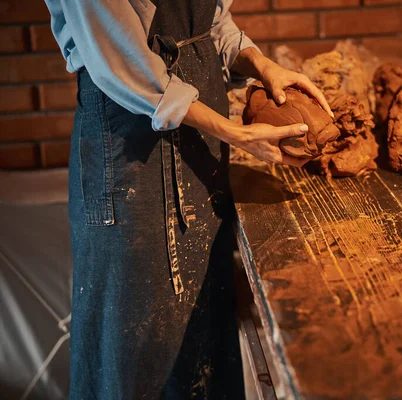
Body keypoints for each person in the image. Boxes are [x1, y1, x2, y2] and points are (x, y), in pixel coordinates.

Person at [43, 0, 332, 398]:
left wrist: (261, 63)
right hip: (129, 142)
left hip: (202, 134)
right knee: (130, 343)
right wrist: (234, 132)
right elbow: (117, 59)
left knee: (203, 332)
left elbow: (212, 22)